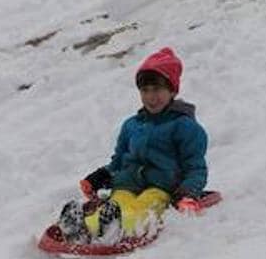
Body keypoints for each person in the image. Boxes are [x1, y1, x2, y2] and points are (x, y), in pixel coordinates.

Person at [57, 48, 209, 243]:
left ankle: (119, 229)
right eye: (145, 90)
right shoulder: (132, 125)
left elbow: (195, 167)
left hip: (161, 187)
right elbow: (119, 161)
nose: (151, 97)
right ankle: (83, 229)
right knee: (115, 204)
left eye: (157, 90)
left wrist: (188, 195)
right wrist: (100, 177)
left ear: (172, 90)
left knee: (144, 205)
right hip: (126, 184)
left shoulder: (185, 126)